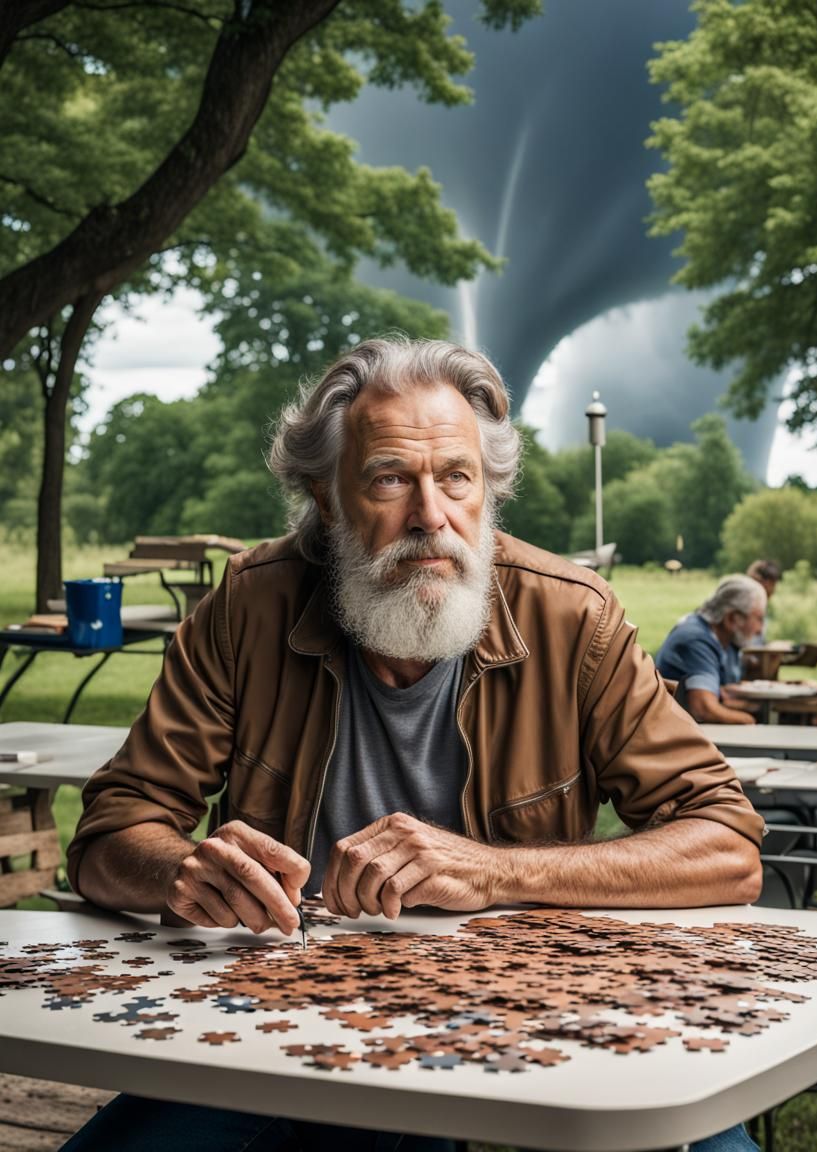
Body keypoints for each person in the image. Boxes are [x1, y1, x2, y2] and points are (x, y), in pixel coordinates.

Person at [64, 337, 763, 1152]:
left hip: (525, 1010)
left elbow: (729, 847)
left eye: (457, 478)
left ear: (488, 491)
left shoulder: (576, 619)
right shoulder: (248, 608)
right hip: (279, 1021)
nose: (431, 516)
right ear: (328, 499)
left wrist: (493, 871)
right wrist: (180, 872)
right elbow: (110, 834)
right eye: (391, 478)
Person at [655, 575, 767, 725]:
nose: (760, 630)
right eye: (758, 619)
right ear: (732, 619)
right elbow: (703, 708)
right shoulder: (696, 640)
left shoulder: (727, 639)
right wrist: (751, 721)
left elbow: (722, 695)